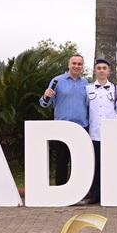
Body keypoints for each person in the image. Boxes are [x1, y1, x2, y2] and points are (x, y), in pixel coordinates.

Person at [39, 54, 88, 187]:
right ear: (68, 65)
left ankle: (78, 190)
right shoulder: (57, 81)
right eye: (74, 63)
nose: (76, 66)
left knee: (79, 163)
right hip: (62, 128)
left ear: (83, 66)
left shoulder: (86, 83)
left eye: (79, 64)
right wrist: (45, 96)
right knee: (62, 161)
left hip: (82, 128)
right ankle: (60, 190)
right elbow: (44, 104)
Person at [85, 58, 117, 204]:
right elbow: (86, 108)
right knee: (96, 165)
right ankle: (95, 194)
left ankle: (110, 193)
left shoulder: (116, 89)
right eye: (99, 68)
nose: (102, 70)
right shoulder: (88, 89)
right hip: (95, 133)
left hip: (111, 134)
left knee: (111, 164)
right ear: (95, 71)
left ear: (109, 71)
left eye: (104, 68)